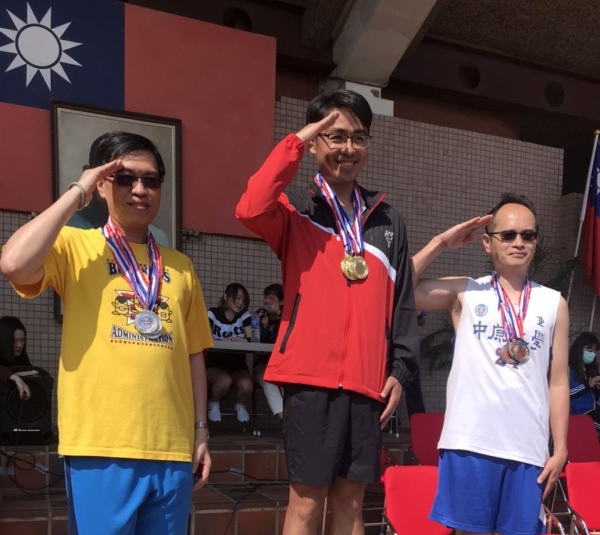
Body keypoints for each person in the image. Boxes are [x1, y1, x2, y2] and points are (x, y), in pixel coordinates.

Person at [0, 131, 213, 535]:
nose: (140, 189)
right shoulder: (74, 246)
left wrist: (201, 430)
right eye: (124, 177)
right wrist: (78, 190)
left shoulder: (181, 266)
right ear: (101, 184)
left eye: (151, 180)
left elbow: (194, 353)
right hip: (101, 448)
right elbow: (13, 263)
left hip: (171, 447)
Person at [236, 89, 420, 535]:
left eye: (358, 138)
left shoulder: (387, 221)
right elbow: (249, 206)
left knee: (351, 502)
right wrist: (296, 141)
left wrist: (400, 368)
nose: (348, 149)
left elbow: (404, 301)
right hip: (309, 380)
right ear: (316, 143)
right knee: (305, 502)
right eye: (335, 136)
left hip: (366, 382)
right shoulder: (295, 210)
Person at [412, 193, 569, 535]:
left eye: (528, 235)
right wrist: (441, 242)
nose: (519, 242)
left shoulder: (554, 303)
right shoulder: (465, 293)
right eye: (508, 235)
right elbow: (397, 290)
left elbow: (557, 382)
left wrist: (561, 448)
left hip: (528, 447)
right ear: (487, 242)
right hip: (471, 442)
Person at [206, 282, 253, 423]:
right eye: (237, 298)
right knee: (224, 380)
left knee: (247, 385)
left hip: (237, 365)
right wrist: (226, 339)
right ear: (226, 296)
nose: (240, 303)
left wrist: (239, 341)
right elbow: (206, 338)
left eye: (243, 300)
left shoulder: (244, 315)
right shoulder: (213, 313)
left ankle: (239, 404)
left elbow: (250, 339)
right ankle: (214, 403)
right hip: (214, 364)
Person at [254, 283, 284, 419]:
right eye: (265, 297)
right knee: (268, 381)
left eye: (271, 298)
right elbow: (256, 342)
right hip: (262, 364)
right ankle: (283, 416)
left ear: (281, 301)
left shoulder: (286, 320)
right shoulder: (258, 317)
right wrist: (264, 325)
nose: (266, 301)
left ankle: (293, 416)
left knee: (288, 384)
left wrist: (280, 315)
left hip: (282, 364)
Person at [568, 331, 600, 433]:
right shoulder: (568, 368)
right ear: (579, 349)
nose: (592, 355)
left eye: (595, 352)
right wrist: (588, 385)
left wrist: (597, 388)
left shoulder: (589, 369)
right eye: (589, 350)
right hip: (578, 412)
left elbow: (592, 396)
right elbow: (566, 393)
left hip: (592, 409)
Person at [0, 316, 32, 399]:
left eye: (22, 340)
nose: (20, 345)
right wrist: (15, 378)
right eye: (14, 341)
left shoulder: (22, 358)